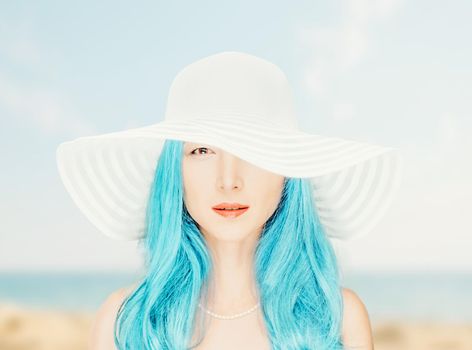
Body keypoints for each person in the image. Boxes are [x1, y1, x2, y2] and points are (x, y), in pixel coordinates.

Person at [56, 51, 403, 349]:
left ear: (287, 171)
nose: (228, 181)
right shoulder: (126, 322)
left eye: (253, 151)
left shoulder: (336, 319)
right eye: (202, 150)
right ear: (174, 173)